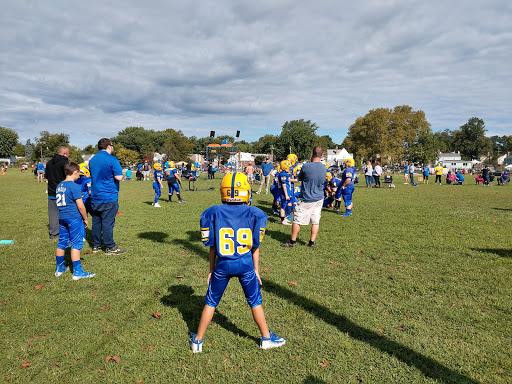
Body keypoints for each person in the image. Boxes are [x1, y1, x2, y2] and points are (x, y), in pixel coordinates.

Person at [189, 172, 285, 353]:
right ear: (246, 192)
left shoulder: (213, 212)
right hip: (245, 264)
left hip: (222, 265)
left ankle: (198, 341)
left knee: (211, 301)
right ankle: (265, 338)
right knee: (255, 301)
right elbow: (255, 246)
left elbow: (211, 246)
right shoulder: (256, 213)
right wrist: (256, 270)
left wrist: (211, 269)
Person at [54, 162, 95, 280]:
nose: (79, 177)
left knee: (62, 242)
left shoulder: (59, 185)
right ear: (75, 172)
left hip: (62, 217)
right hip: (74, 218)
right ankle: (77, 272)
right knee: (76, 244)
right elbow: (81, 206)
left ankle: (59, 268)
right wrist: (85, 218)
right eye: (78, 174)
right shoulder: (74, 186)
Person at [281, 147, 327, 248]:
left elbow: (300, 178)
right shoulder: (324, 168)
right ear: (322, 155)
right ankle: (311, 242)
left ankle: (292, 241)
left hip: (307, 198)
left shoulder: (306, 166)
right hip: (319, 197)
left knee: (297, 219)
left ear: (312, 154)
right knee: (315, 221)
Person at [89, 138, 126, 255]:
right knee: (107, 222)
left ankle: (96, 245)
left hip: (95, 195)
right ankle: (110, 246)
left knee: (96, 222)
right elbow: (119, 177)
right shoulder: (112, 159)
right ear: (109, 146)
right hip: (108, 196)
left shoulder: (92, 160)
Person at [45, 146, 70, 239]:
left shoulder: (49, 163)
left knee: (53, 214)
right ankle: (67, 232)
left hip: (52, 191)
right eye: (68, 153)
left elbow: (47, 176)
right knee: (67, 212)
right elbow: (68, 177)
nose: (69, 155)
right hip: (64, 191)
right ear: (64, 154)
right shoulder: (65, 163)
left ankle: (53, 234)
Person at [277, 160, 296, 225]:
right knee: (283, 205)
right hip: (284, 192)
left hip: (286, 192)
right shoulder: (283, 174)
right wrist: (286, 195)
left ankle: (284, 218)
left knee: (284, 205)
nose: (290, 168)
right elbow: (284, 185)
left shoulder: (285, 174)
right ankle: (282, 220)